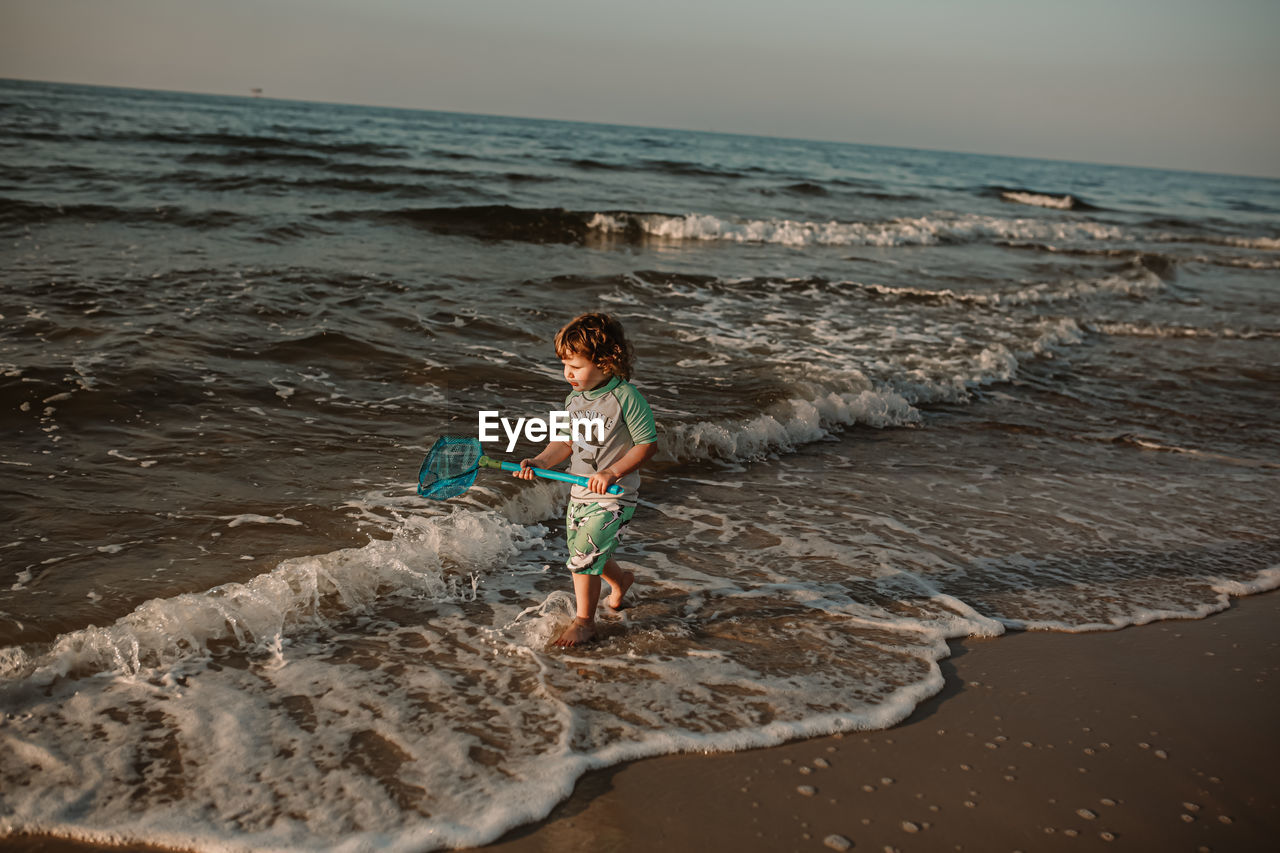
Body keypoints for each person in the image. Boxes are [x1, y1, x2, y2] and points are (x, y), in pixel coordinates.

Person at [514, 313, 658, 647]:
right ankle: (621, 581)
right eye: (564, 365)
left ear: (607, 362)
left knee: (582, 556)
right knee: (592, 553)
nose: (568, 374)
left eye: (575, 366)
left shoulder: (625, 398)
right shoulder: (574, 400)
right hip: (580, 492)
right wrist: (538, 461)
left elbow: (647, 445)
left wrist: (612, 472)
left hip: (614, 495)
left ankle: (584, 622)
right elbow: (564, 442)